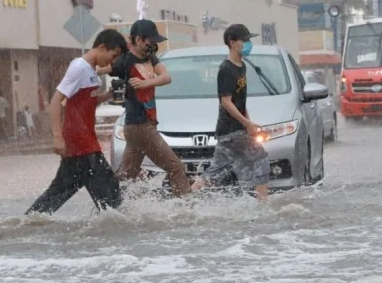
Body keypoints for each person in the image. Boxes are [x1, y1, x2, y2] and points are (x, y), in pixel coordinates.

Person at [25, 29, 128, 215]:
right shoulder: (79, 67)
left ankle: (29, 222)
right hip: (81, 141)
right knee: (109, 191)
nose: (112, 62)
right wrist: (57, 137)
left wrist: (109, 95)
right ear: (102, 47)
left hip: (83, 141)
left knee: (59, 192)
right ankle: (120, 226)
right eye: (113, 56)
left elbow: (88, 101)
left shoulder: (91, 71)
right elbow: (56, 100)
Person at [98, 19, 192, 197]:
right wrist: (83, 69)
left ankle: (108, 203)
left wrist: (145, 83)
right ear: (138, 40)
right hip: (140, 126)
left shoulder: (151, 58)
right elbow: (103, 69)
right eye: (151, 41)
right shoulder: (125, 61)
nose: (154, 45)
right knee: (176, 167)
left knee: (127, 175)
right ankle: (187, 208)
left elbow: (166, 77)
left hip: (141, 126)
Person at [191, 24, 270, 201]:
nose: (249, 44)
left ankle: (187, 200)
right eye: (246, 40)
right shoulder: (226, 69)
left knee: (215, 172)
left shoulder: (241, 66)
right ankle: (263, 202)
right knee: (260, 159)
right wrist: (246, 123)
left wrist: (249, 123)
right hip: (230, 130)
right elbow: (226, 101)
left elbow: (241, 102)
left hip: (234, 130)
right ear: (232, 43)